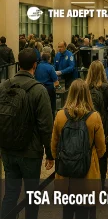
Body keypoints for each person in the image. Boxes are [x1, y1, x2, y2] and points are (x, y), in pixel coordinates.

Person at [0, 48, 54, 219]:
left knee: (10, 193)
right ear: (35, 65)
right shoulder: (39, 90)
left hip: (7, 149)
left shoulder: (3, 85)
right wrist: (50, 154)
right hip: (30, 153)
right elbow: (46, 126)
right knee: (32, 196)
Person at [51, 79, 106, 219]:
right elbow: (101, 148)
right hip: (87, 173)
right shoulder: (94, 117)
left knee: (67, 211)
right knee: (84, 212)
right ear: (87, 94)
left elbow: (54, 146)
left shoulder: (60, 115)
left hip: (66, 173)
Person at [86, 60, 108, 191]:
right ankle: (101, 184)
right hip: (103, 127)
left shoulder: (84, 87)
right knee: (102, 157)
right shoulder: (106, 87)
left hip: (86, 126)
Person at [35, 52, 59, 119]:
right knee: (51, 108)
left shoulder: (38, 66)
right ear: (49, 59)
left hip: (38, 88)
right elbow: (56, 82)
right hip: (49, 89)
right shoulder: (50, 68)